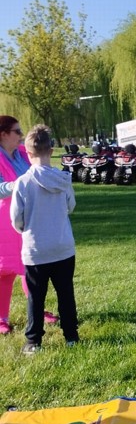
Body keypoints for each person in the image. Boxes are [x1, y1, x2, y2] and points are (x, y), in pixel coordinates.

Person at [9, 124, 79, 354]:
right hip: (63, 247)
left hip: (36, 249)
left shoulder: (23, 183)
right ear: (51, 150)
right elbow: (70, 206)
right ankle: (71, 336)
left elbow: (16, 218)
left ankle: (33, 341)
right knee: (65, 293)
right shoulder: (63, 179)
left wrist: (25, 229)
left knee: (36, 297)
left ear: (28, 153)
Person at [0, 116, 59, 335]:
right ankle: (1, 319)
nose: (21, 135)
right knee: (4, 272)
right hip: (4, 223)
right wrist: (19, 184)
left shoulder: (25, 153)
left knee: (31, 268)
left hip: (30, 218)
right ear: (3, 134)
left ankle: (38, 311)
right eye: (17, 131)